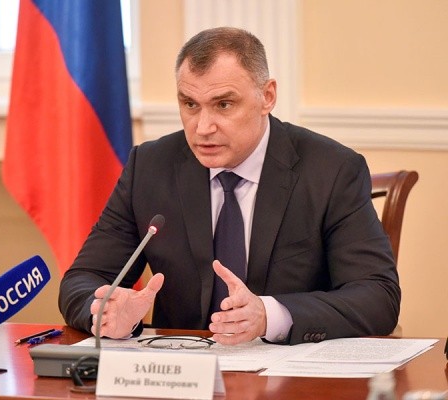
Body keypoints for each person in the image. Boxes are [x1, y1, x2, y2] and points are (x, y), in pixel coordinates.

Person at [58, 27, 400, 345]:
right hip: (179, 372)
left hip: (289, 374)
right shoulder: (150, 167)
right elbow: (82, 280)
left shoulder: (331, 170)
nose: (203, 127)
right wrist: (106, 313)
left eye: (223, 104)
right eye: (190, 105)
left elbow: (377, 297)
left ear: (267, 97)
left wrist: (269, 315)